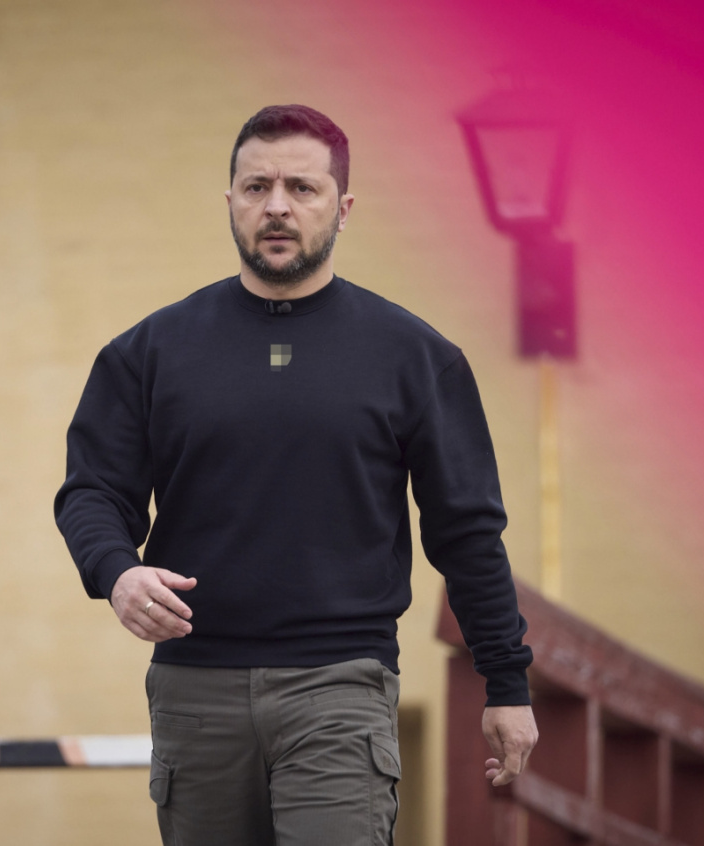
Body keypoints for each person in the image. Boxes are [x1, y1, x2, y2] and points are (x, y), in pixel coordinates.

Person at [54, 104, 538, 846]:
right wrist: (116, 572)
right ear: (230, 202)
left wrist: (505, 682)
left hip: (341, 685)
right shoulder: (148, 353)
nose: (277, 206)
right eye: (257, 187)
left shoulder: (414, 358)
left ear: (343, 208)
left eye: (302, 188)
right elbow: (93, 490)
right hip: (194, 690)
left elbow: (467, 532)